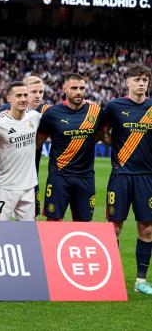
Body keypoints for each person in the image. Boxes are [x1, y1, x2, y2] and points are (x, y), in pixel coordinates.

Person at [99, 63, 152, 295]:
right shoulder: (113, 106)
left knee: (147, 229)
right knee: (114, 228)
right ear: (127, 82)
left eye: (145, 80)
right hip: (120, 175)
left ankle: (141, 281)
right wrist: (112, 143)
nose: (142, 83)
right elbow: (101, 131)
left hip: (146, 178)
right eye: (137, 79)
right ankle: (112, 278)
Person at [36, 73, 103, 222]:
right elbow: (37, 143)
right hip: (59, 176)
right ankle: (51, 247)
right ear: (64, 89)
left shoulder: (95, 111)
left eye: (82, 88)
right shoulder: (52, 113)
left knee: (83, 224)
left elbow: (101, 135)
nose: (79, 91)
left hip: (85, 176)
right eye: (74, 88)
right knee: (53, 222)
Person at [0, 75, 50, 218]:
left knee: (30, 227)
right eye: (33, 92)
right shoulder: (1, 117)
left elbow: (66, 112)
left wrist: (85, 103)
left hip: (30, 181)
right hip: (6, 183)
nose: (37, 96)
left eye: (41, 92)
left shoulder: (40, 115)